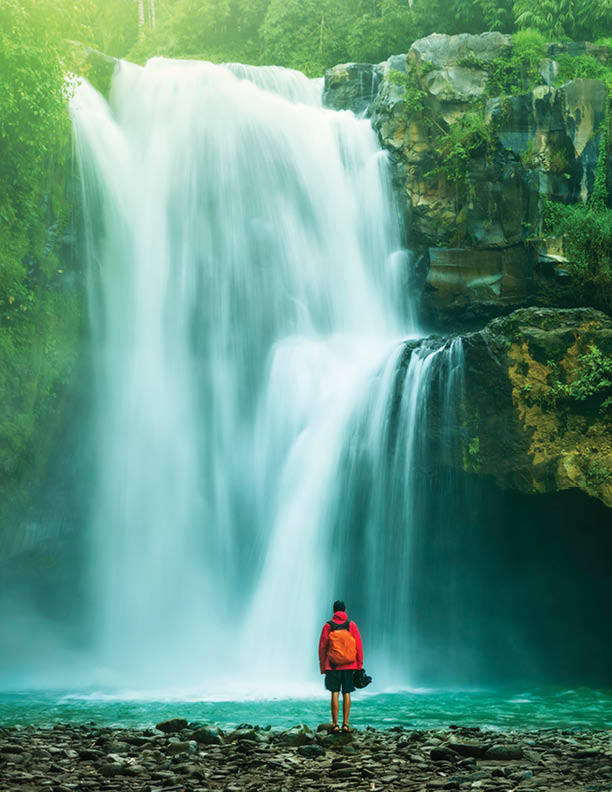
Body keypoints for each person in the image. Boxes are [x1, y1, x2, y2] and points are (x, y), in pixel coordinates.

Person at [318, 599, 363, 733]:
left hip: (333, 666)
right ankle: (346, 724)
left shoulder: (328, 626)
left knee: (335, 693)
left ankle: (335, 724)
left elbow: (322, 648)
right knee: (347, 692)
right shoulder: (351, 625)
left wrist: (323, 666)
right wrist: (359, 664)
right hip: (349, 665)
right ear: (345, 610)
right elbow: (358, 646)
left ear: (333, 611)